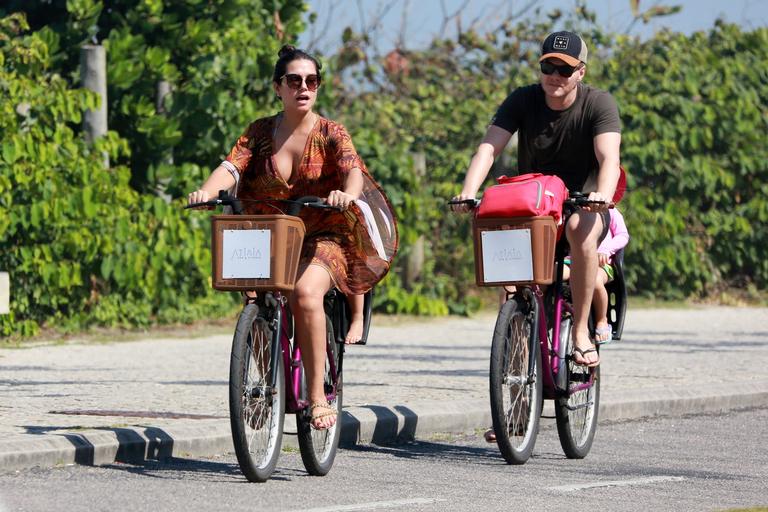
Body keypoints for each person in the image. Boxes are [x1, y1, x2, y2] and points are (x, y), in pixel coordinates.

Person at [188, 45, 398, 429]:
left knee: (304, 293)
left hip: (324, 233)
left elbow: (352, 170)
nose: (304, 87)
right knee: (255, 294)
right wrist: (207, 191)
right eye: (294, 80)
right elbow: (230, 169)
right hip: (271, 234)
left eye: (311, 81)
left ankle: (317, 397)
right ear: (278, 87)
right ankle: (265, 386)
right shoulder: (259, 133)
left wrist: (347, 195)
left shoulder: (331, 132)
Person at [452, 30, 622, 368]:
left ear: (581, 72)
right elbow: (489, 148)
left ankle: (580, 334)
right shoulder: (523, 99)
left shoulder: (598, 103)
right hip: (535, 206)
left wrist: (600, 195)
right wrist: (469, 191)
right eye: (549, 67)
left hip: (582, 203)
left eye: (565, 69)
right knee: (513, 290)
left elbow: (609, 160)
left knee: (581, 227)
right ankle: (512, 411)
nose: (555, 76)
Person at [563, 207, 629, 344]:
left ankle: (602, 319)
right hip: (572, 261)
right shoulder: (570, 208)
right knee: (551, 275)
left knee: (594, 281)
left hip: (602, 265)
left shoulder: (611, 211)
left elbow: (623, 235)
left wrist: (606, 249)